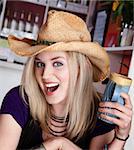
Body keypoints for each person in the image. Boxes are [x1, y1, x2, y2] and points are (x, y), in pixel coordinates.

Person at [0, 10, 132, 150]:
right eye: (40, 64)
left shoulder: (100, 111)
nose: (45, 75)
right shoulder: (19, 99)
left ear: (82, 68)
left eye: (57, 63)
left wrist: (120, 137)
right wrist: (54, 144)